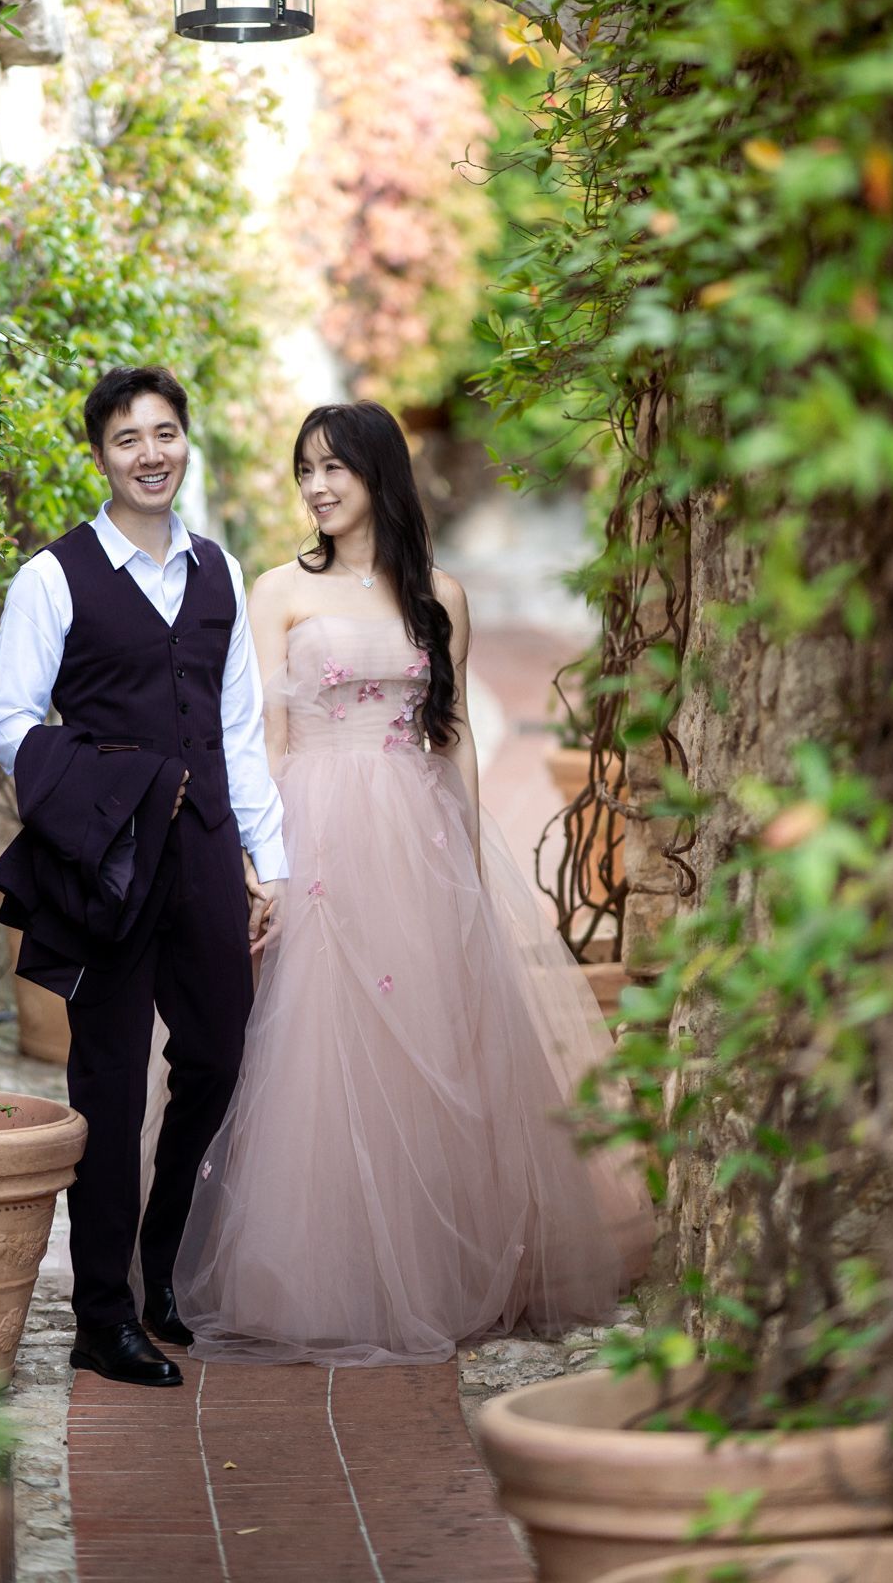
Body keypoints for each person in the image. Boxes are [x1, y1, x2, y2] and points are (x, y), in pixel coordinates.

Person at [174, 401, 653, 1366]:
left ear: (377, 474)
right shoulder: (276, 592)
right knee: (309, 1040)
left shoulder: (439, 594)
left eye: (333, 468)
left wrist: (467, 854)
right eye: (304, 470)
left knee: (427, 1040)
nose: (315, 487)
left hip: (415, 831)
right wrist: (258, 860)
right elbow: (259, 732)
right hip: (313, 824)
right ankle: (313, 1272)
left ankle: (431, 1263)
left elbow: (459, 732)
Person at [0, 364, 286, 1388]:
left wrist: (266, 859)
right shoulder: (53, 575)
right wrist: (103, 790)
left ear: (184, 442)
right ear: (99, 454)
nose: (151, 453)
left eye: (165, 433)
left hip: (202, 849)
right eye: (127, 438)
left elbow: (237, 726)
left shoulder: (221, 570)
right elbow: (10, 722)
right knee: (106, 1084)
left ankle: (162, 1260)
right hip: (106, 859)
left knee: (217, 1051)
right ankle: (102, 1315)